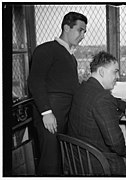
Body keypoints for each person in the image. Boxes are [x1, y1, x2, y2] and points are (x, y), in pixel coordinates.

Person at [28, 12, 88, 175]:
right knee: (50, 163)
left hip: (64, 114)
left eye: (84, 32)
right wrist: (46, 113)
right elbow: (36, 82)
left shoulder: (70, 57)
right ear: (66, 27)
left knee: (62, 160)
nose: (82, 36)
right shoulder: (45, 49)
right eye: (80, 30)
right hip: (51, 115)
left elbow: (71, 86)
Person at [67, 51, 126, 175]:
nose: (117, 77)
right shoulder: (102, 98)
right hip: (99, 164)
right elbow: (115, 142)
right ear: (101, 72)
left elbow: (111, 100)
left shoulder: (82, 88)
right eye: (115, 71)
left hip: (78, 160)